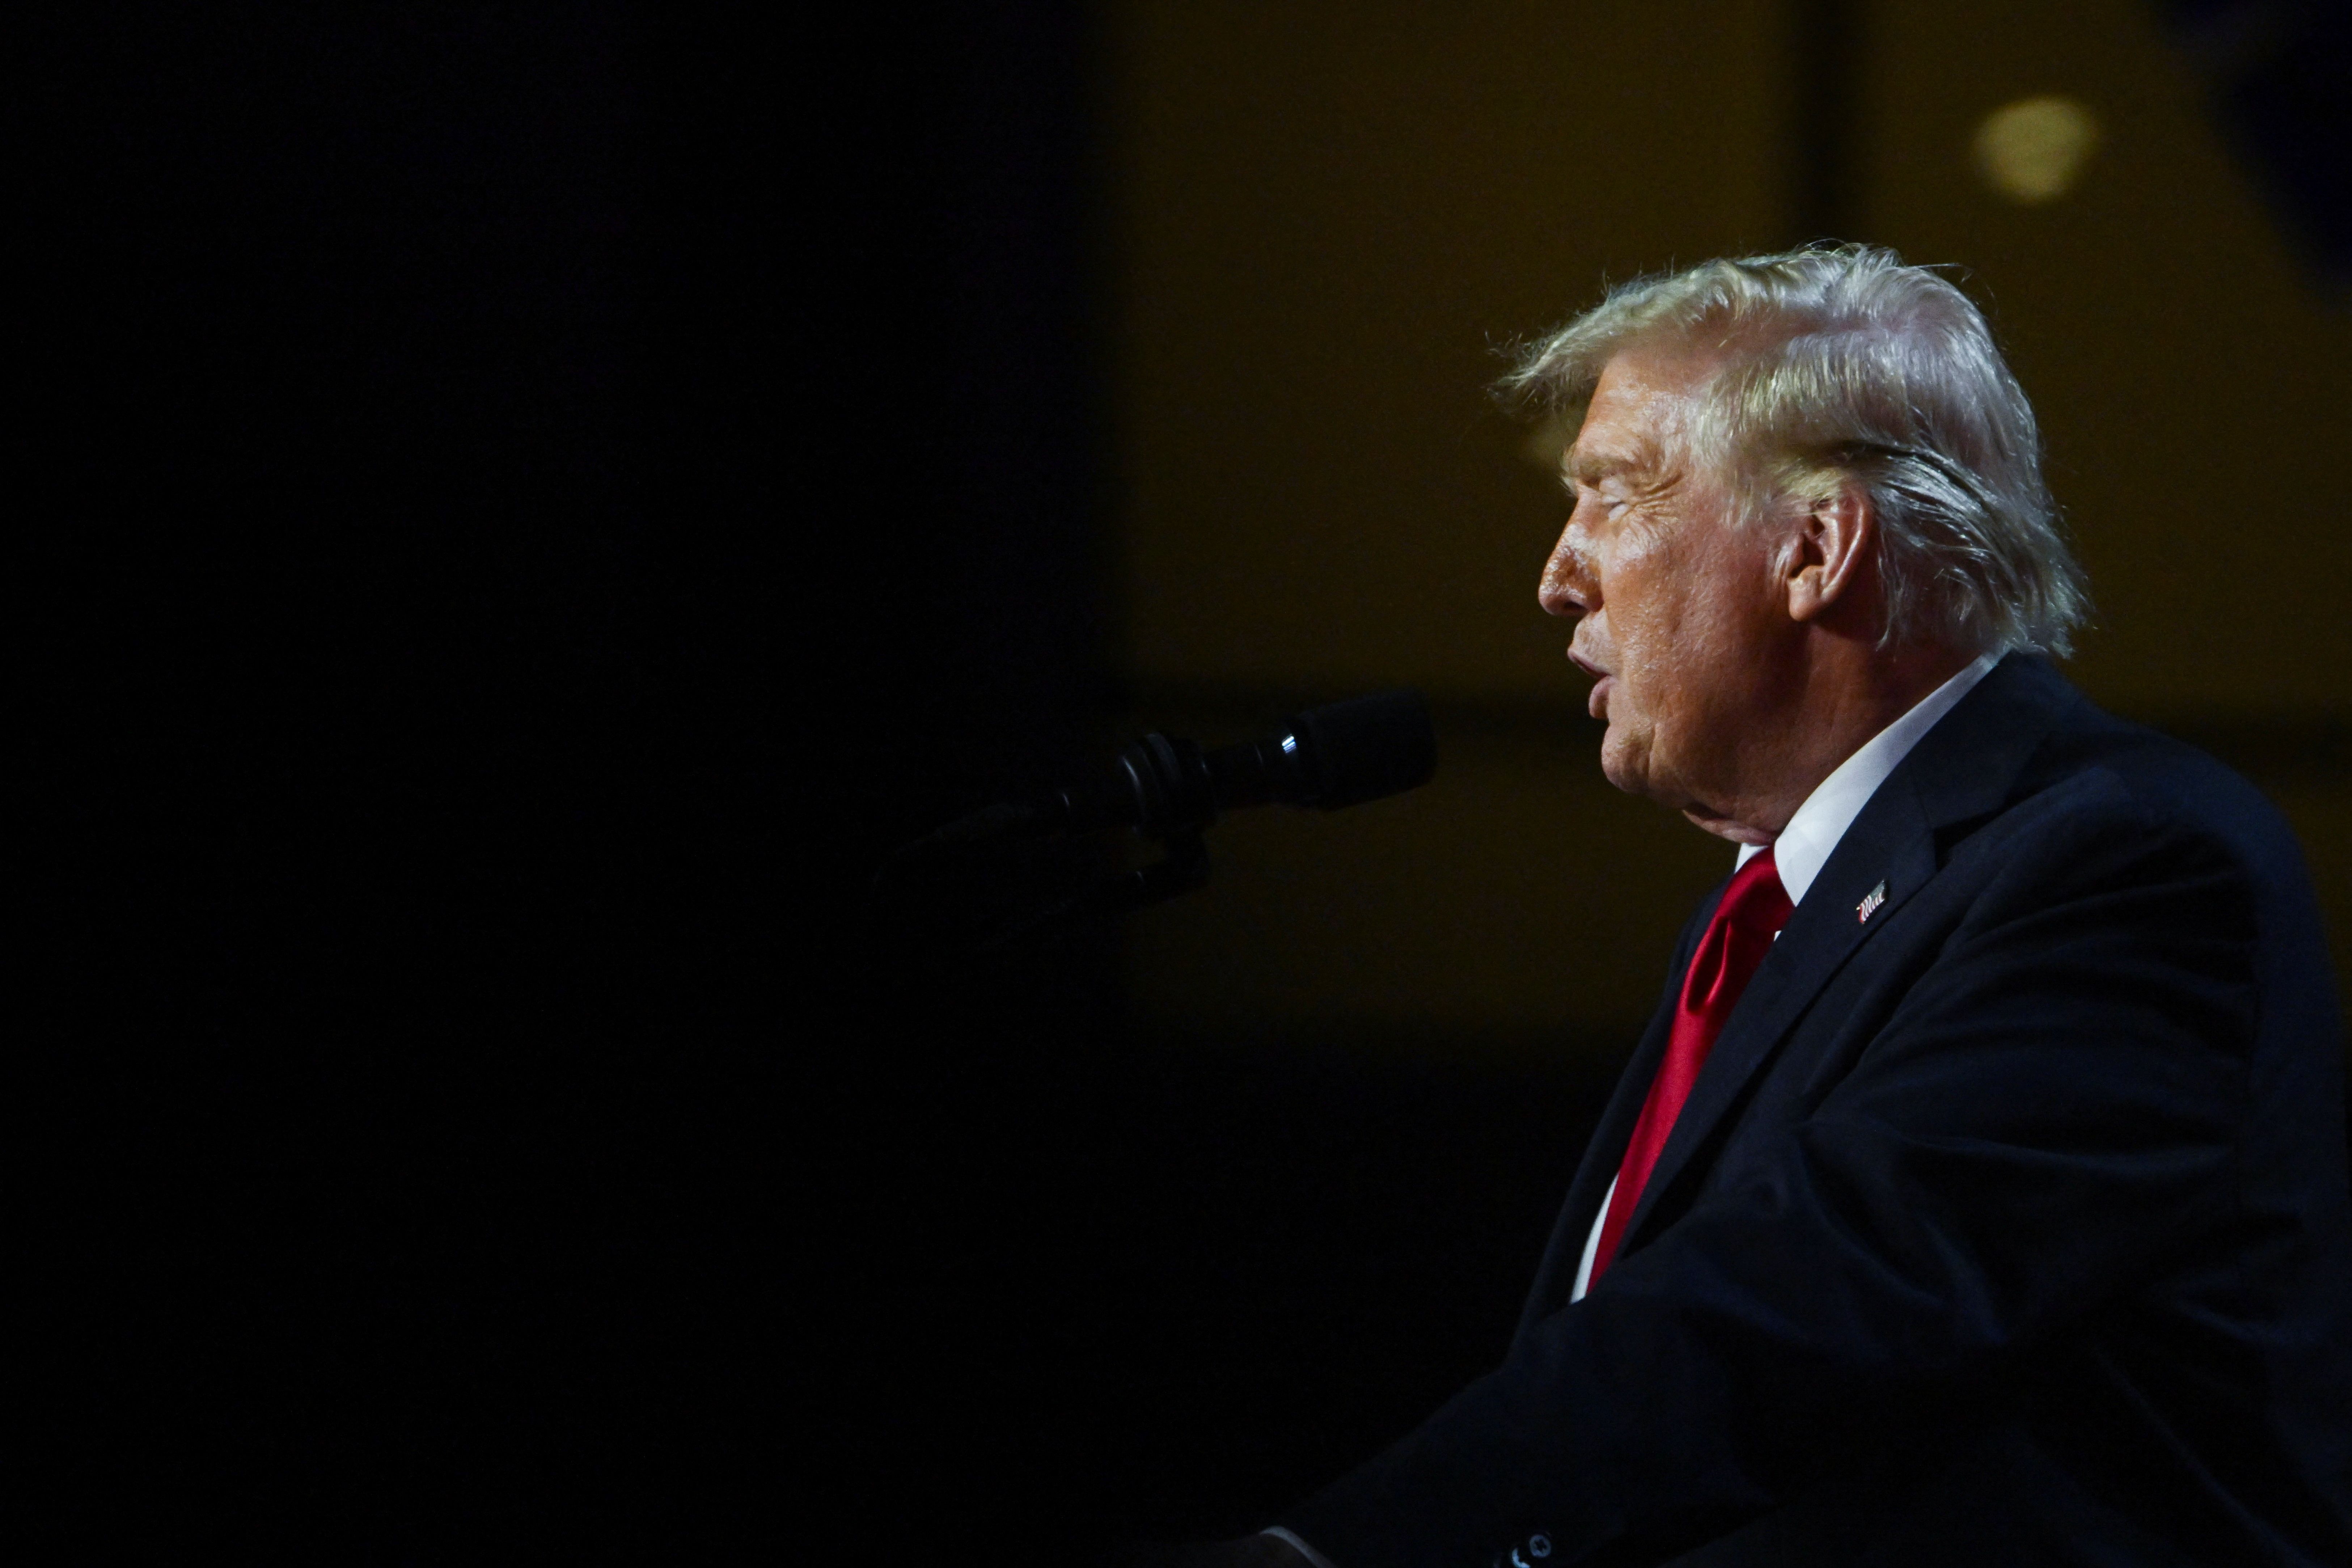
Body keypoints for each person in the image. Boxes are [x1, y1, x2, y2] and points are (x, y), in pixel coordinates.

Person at [1153, 247, 2352, 1567]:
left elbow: (1802, 1299)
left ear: (1814, 549)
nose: (1557, 575)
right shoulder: (1781, 896)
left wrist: (1337, 1552)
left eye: (1614, 494)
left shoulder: (2124, 863)